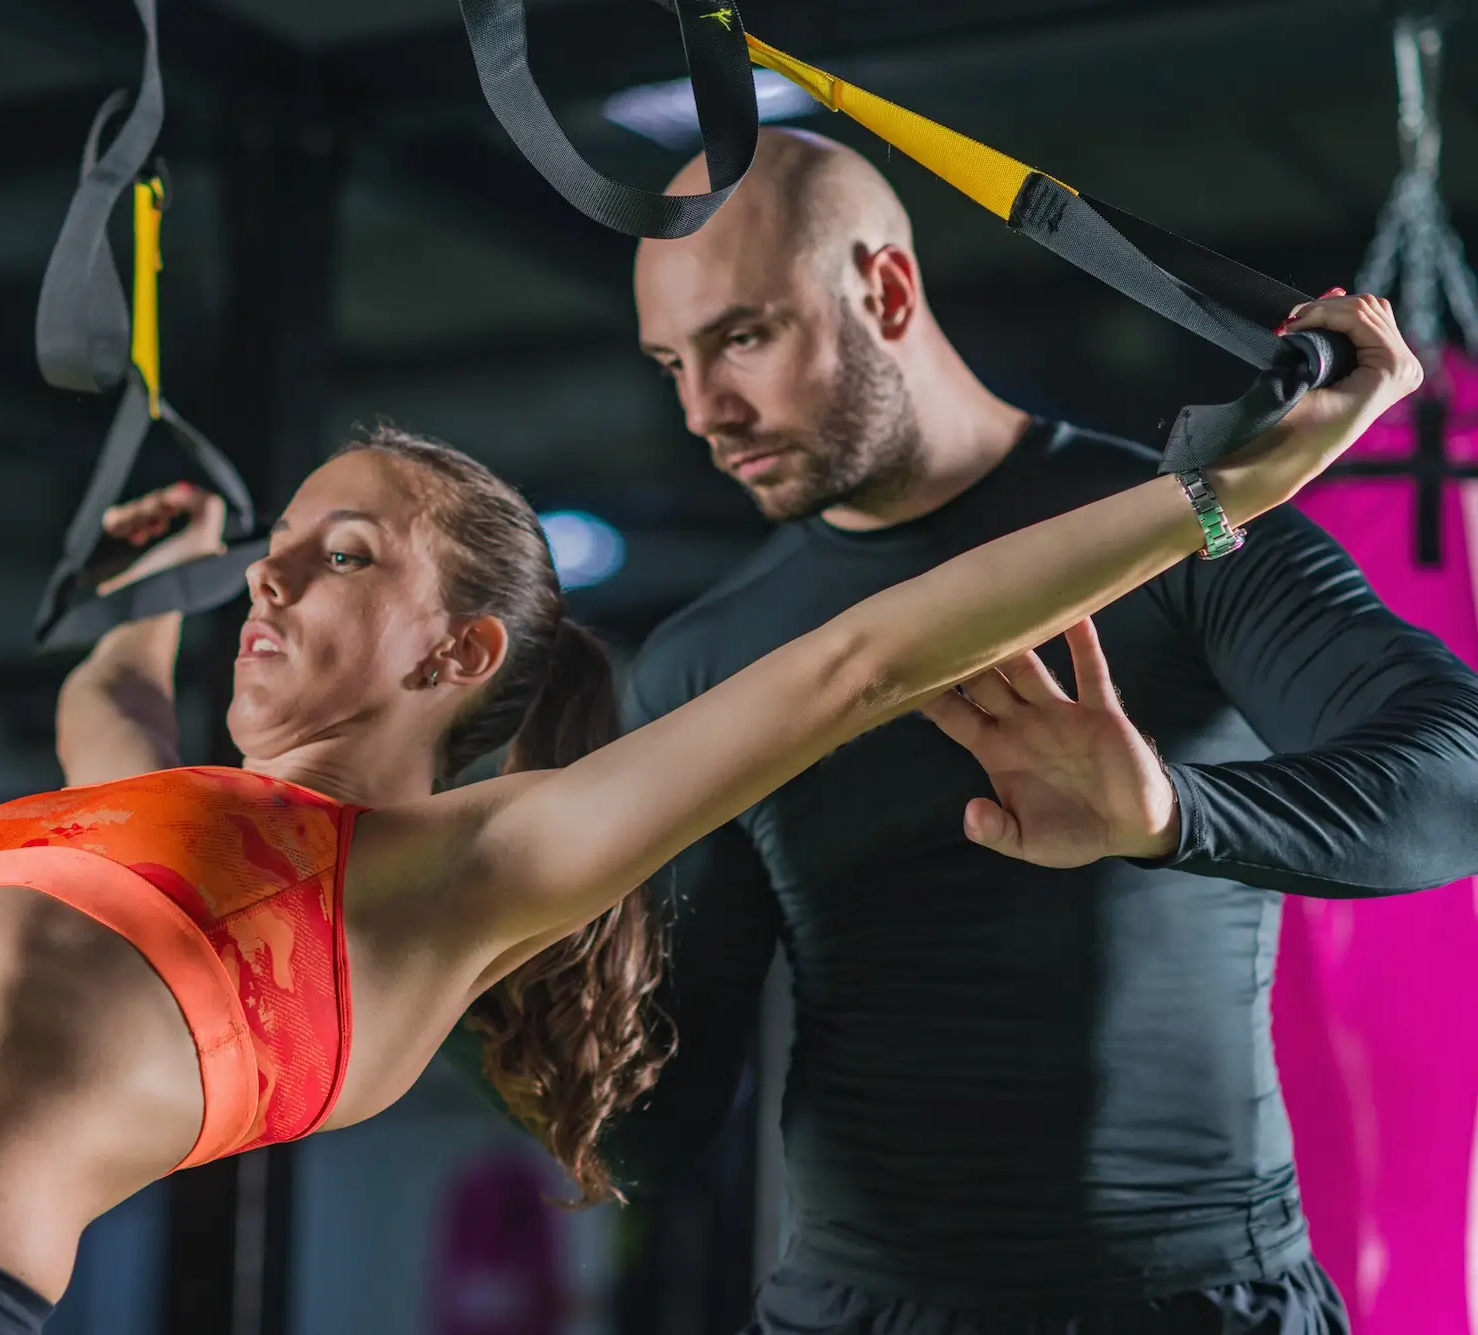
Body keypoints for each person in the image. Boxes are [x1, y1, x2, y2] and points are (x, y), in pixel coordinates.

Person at [0, 290, 1415, 1335]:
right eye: (272, 561)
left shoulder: (455, 875)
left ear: (458, 650)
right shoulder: (134, 795)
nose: (273, 589)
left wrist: (1222, 495)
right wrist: (175, 571)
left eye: (335, 553)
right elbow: (107, 693)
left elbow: (855, 665)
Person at [589, 129, 1478, 1333]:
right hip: (852, 1313)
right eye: (668, 365)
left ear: (885, 289)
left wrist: (1173, 816)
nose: (703, 409)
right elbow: (656, 1124)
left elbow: (1453, 774)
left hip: (1196, 1304)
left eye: (741, 337)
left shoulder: (1181, 532)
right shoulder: (702, 657)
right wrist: (457, 946)